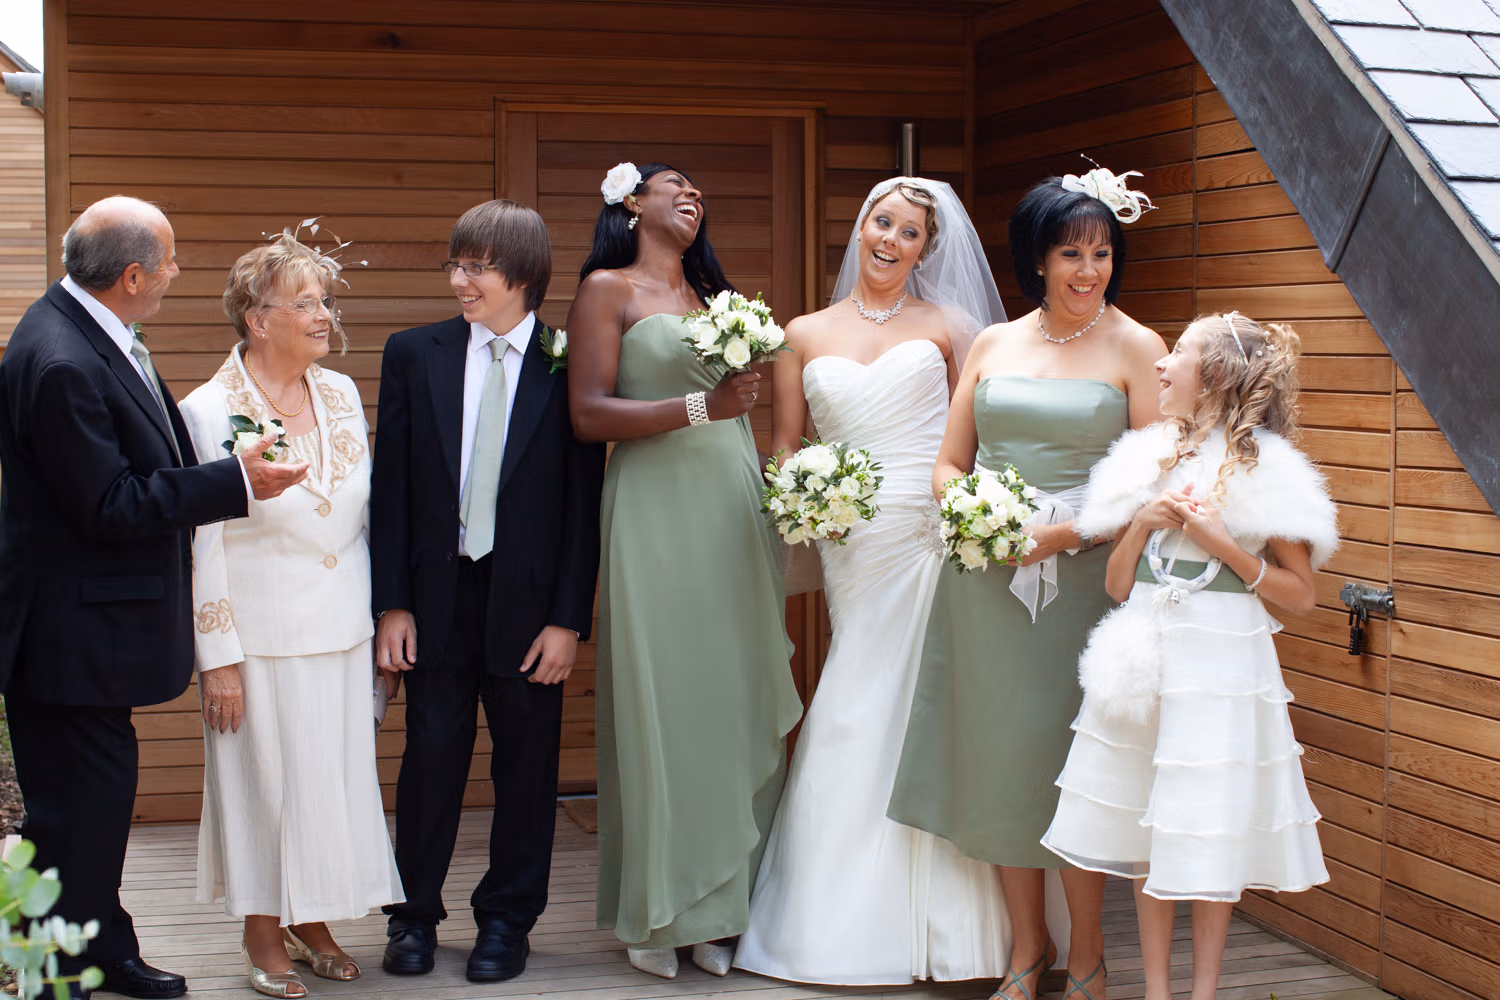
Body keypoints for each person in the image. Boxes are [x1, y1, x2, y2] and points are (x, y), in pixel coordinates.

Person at [0, 196, 306, 999]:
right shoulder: (62, 360)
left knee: (90, 807)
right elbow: (109, 505)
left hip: (85, 633)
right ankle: (61, 966)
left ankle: (97, 947)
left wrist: (225, 468)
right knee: (77, 810)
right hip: (68, 636)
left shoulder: (92, 330)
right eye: (169, 259)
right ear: (132, 276)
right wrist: (237, 481)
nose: (177, 270)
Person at [888, 167, 1168, 1000]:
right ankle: (1026, 948)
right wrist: (978, 516)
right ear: (1037, 258)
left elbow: (1152, 487)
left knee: (1071, 766)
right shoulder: (992, 344)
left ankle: (1088, 954)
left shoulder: (1139, 347)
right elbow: (949, 463)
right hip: (986, 583)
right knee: (1002, 759)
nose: (1088, 270)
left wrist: (1061, 534)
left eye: (1102, 253)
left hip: (1084, 586)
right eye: (1071, 253)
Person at [735, 177, 1012, 985]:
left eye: (910, 232)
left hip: (929, 533)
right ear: (860, 230)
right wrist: (800, 496)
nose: (891, 239)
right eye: (881, 223)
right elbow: (787, 444)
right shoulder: (802, 333)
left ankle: (954, 929)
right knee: (855, 697)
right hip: (850, 539)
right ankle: (829, 921)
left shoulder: (951, 328)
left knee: (930, 701)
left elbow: (979, 438)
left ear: (926, 249)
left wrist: (975, 512)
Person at [1042, 312, 1334, 1000]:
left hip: (1221, 665)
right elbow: (1117, 587)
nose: (1161, 364)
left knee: (1206, 822)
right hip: (1147, 658)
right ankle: (1158, 992)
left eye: (1177, 352)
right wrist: (1142, 522)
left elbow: (1301, 594)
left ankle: (1203, 992)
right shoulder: (1144, 458)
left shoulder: (1268, 470)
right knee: (1152, 822)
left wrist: (1223, 543)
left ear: (1215, 375)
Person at [568, 162, 802, 980]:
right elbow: (588, 413)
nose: (694, 195)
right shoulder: (607, 290)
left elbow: (758, 392)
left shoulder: (715, 300)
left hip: (732, 509)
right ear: (633, 202)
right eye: (676, 185)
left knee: (728, 702)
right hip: (654, 512)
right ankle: (657, 910)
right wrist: (704, 405)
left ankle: (719, 910)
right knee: (662, 702)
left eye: (702, 190)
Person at [370, 199, 604, 983]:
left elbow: (584, 503)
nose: (459, 281)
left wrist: (569, 619)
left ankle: (507, 923)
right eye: (456, 264)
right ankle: (412, 917)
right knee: (430, 758)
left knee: (527, 771)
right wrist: (392, 603)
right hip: (436, 597)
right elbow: (392, 488)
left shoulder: (569, 361)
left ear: (524, 275)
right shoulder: (414, 353)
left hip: (532, 610)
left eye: (476, 267)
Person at [178, 230, 404, 998]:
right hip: (259, 637)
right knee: (262, 787)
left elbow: (361, 517)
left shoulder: (339, 393)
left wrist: (378, 622)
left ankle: (312, 922)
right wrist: (219, 659)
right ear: (256, 317)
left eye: (325, 301)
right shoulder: (207, 410)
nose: (323, 315)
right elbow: (203, 541)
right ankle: (261, 930)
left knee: (328, 786)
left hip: (342, 630)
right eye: (305, 303)